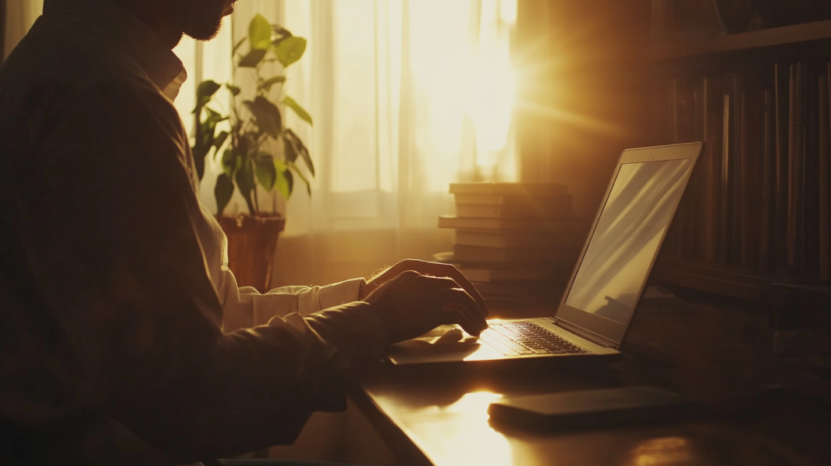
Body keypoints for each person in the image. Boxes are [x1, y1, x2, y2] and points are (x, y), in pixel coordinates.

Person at [0, 0, 488, 464]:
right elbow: (191, 397)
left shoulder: (65, 63)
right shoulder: (109, 102)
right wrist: (371, 321)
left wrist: (366, 298)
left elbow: (209, 319)